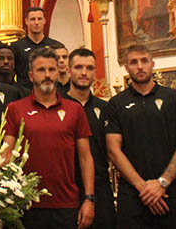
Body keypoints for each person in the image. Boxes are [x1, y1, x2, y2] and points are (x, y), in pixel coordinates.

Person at [3, 47, 95, 229]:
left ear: (59, 73)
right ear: (30, 76)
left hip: (66, 204)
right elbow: (6, 156)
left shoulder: (75, 110)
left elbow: (85, 158)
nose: (47, 75)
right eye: (41, 70)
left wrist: (89, 199)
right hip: (25, 203)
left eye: (52, 70)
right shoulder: (15, 109)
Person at [106, 44, 176, 229]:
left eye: (144, 61)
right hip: (133, 195)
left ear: (153, 64)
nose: (140, 66)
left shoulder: (173, 99)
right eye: (133, 62)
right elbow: (113, 150)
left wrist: (162, 183)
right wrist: (144, 189)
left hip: (171, 192)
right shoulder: (116, 104)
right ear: (126, 67)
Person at [61, 49, 115, 229]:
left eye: (89, 68)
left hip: (100, 187)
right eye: (78, 67)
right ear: (68, 71)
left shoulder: (105, 108)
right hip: (66, 187)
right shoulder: (56, 105)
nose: (84, 73)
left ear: (95, 73)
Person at [11, 7, 62, 89]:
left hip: (50, 91)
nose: (36, 22)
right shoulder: (16, 46)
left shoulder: (55, 45)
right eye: (32, 19)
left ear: (44, 21)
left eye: (39, 19)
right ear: (26, 21)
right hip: (24, 94)